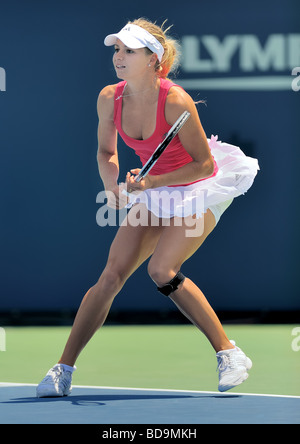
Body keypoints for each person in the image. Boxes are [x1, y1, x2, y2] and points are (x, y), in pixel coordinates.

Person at [36, 18, 259, 397]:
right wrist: (112, 187)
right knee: (110, 276)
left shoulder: (175, 101)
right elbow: (107, 151)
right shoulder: (110, 97)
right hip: (154, 189)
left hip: (197, 187)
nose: (118, 57)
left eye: (129, 51)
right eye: (117, 50)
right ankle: (63, 369)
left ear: (153, 59)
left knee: (162, 269)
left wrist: (151, 182)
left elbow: (204, 164)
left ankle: (229, 352)